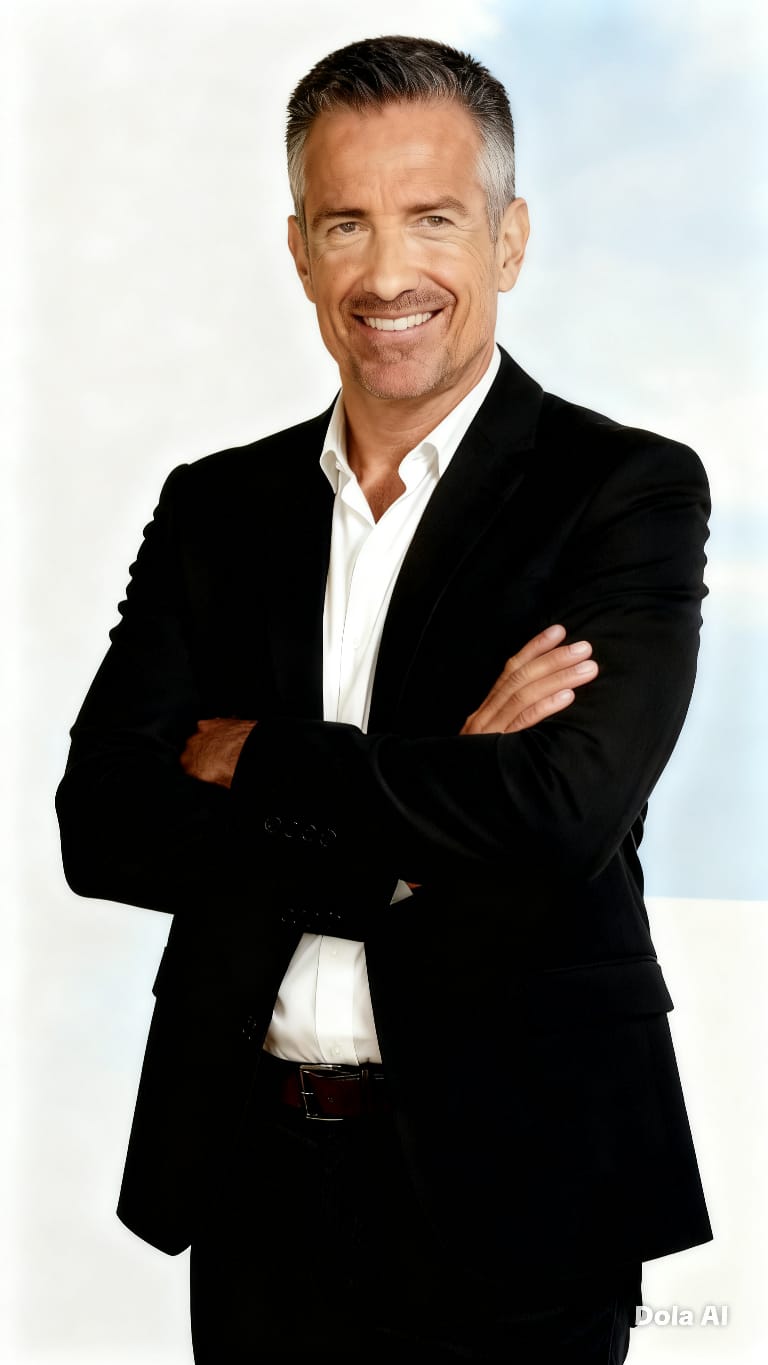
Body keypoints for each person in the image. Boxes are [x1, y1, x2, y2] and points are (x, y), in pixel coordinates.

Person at [56, 34, 713, 1365]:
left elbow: (560, 815)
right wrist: (424, 811)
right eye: (347, 222)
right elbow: (106, 823)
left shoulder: (622, 492)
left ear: (509, 240)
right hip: (252, 1172)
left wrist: (258, 759)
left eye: (434, 218)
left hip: (524, 1178)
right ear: (300, 250)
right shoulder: (216, 508)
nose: (387, 272)